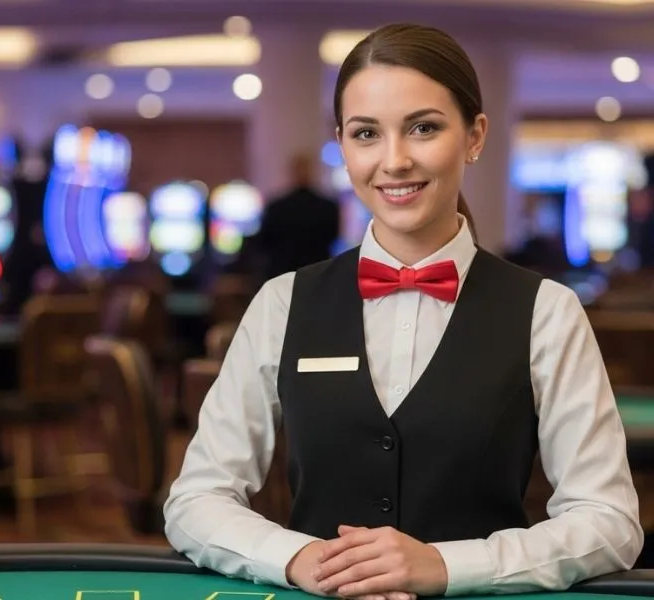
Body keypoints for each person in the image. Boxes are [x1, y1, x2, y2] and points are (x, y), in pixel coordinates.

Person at [163, 22, 643, 600]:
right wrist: (302, 558)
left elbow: (609, 521)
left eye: (423, 128)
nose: (394, 161)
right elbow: (195, 499)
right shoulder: (281, 303)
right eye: (367, 134)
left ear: (474, 136)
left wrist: (447, 565)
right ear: (341, 145)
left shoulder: (547, 310)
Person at [254, 153, 341, 282]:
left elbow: (265, 241)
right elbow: (332, 237)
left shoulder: (277, 207)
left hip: (283, 274)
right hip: (317, 274)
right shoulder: (327, 206)